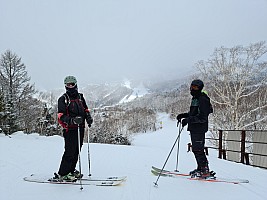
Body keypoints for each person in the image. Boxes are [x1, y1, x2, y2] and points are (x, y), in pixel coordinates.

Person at [54, 75, 93, 181]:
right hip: (70, 129)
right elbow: (61, 116)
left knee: (76, 151)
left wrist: (88, 117)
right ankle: (63, 173)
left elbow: (85, 109)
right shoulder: (63, 99)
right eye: (68, 84)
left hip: (80, 128)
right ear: (65, 86)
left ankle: (71, 170)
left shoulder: (80, 97)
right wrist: (72, 120)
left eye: (72, 84)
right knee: (69, 151)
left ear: (76, 84)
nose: (70, 86)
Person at [176, 79, 214, 178]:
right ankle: (200, 168)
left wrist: (188, 120)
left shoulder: (202, 99)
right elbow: (194, 113)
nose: (193, 89)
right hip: (195, 128)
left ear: (200, 88)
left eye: (196, 87)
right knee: (196, 149)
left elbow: (202, 117)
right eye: (192, 87)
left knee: (198, 149)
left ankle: (205, 170)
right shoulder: (195, 98)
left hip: (199, 128)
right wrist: (183, 115)